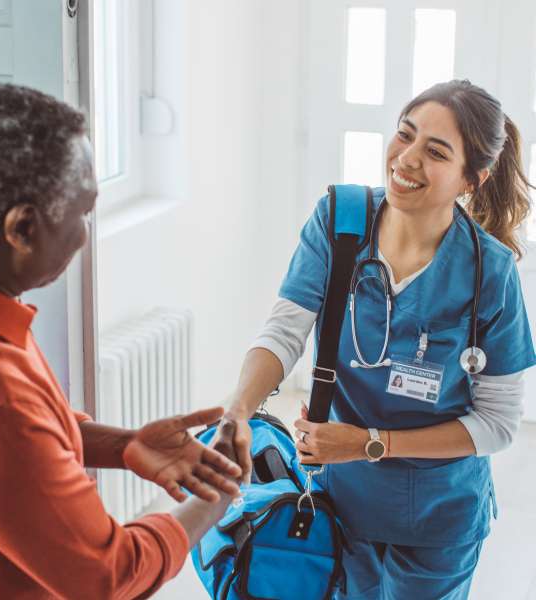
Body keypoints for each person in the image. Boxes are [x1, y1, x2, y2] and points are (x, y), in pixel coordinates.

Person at [217, 80, 536, 599]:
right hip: (343, 502)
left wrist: (369, 444)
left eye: (435, 152)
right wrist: (237, 412)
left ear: (471, 180)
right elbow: (284, 331)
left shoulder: (489, 271)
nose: (407, 159)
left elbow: (499, 423)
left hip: (440, 516)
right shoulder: (341, 222)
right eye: (404, 135)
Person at [0, 82, 242, 599]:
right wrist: (216, 498)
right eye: (82, 211)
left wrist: (124, 445)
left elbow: (30, 439)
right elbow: (109, 576)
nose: (84, 234)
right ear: (23, 227)